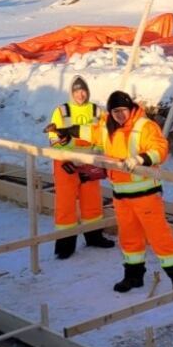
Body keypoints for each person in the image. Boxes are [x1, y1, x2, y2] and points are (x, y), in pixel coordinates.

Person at [54, 90, 173, 292]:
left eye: (123, 110)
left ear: (131, 108)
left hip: (146, 195)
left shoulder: (145, 126)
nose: (120, 115)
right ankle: (133, 276)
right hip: (121, 195)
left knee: (159, 236)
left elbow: (160, 148)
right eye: (115, 112)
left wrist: (141, 159)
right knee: (128, 236)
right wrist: (67, 132)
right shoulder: (107, 127)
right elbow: (89, 132)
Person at [46, 75, 114, 259]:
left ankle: (94, 237)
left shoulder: (97, 111)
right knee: (65, 203)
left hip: (89, 162)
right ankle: (65, 246)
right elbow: (53, 138)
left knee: (92, 200)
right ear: (71, 92)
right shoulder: (61, 111)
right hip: (65, 163)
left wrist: (98, 154)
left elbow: (104, 134)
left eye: (83, 90)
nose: (80, 94)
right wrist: (67, 158)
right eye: (76, 91)